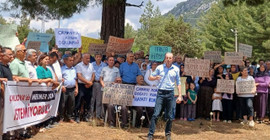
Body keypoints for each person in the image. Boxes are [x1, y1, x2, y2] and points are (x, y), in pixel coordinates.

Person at [147, 52, 182, 140]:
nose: (168, 59)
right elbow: (150, 77)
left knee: (170, 116)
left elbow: (178, 83)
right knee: (156, 114)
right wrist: (155, 78)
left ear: (172, 59)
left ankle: (168, 134)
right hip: (161, 93)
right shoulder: (159, 67)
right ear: (165, 59)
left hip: (170, 93)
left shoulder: (176, 69)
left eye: (170, 58)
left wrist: (180, 95)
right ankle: (150, 134)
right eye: (167, 58)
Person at [120, 52, 142, 128]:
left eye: (133, 57)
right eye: (130, 57)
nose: (132, 58)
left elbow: (140, 75)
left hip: (134, 87)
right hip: (124, 86)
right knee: (124, 107)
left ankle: (137, 125)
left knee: (139, 108)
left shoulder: (136, 66)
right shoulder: (122, 65)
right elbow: (119, 76)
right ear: (127, 57)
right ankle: (124, 124)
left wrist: (139, 81)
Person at [100, 56, 122, 127]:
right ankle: (103, 119)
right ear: (107, 61)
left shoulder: (116, 69)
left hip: (113, 90)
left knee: (111, 105)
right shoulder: (104, 69)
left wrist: (116, 82)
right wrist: (103, 85)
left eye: (113, 60)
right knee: (105, 105)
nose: (111, 61)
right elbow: (101, 79)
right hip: (105, 89)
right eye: (110, 60)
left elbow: (119, 79)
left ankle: (112, 122)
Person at [75, 53, 95, 123]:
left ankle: (85, 116)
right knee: (79, 101)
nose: (88, 60)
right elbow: (79, 76)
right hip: (81, 85)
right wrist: (87, 82)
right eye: (86, 58)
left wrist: (90, 82)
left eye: (89, 58)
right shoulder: (79, 65)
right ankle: (77, 116)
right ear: (83, 58)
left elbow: (93, 75)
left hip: (89, 86)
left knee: (88, 101)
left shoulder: (91, 65)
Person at [60, 54, 78, 123]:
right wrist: (62, 86)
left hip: (72, 89)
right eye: (70, 60)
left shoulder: (74, 69)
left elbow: (75, 79)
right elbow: (60, 79)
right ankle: (61, 117)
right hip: (65, 89)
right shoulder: (62, 69)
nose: (72, 62)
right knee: (63, 104)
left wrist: (77, 88)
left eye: (72, 60)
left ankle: (70, 117)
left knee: (72, 104)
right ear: (66, 61)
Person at [91, 53, 107, 121]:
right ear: (95, 57)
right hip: (93, 83)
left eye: (100, 57)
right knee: (92, 100)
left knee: (99, 100)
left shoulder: (104, 65)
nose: (98, 58)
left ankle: (98, 115)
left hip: (100, 83)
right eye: (97, 57)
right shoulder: (91, 64)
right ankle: (90, 115)